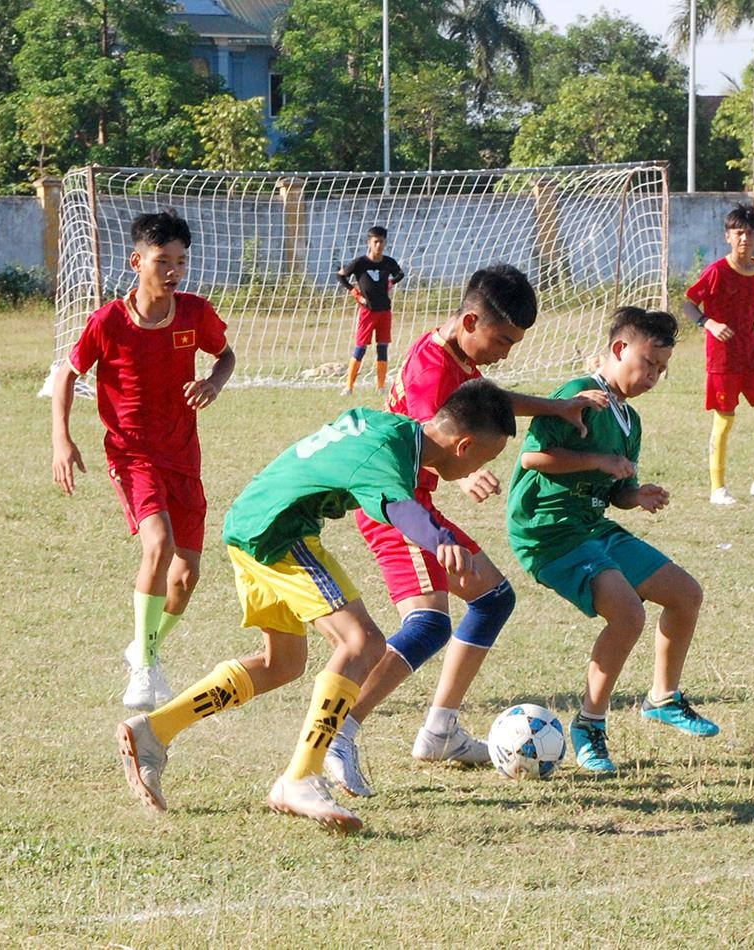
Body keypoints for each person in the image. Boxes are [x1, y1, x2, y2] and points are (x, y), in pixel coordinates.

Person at [115, 379, 517, 833]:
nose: (481, 469)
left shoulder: (388, 428)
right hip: (277, 535)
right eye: (486, 457)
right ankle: (300, 777)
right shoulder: (387, 459)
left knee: (281, 663)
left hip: (252, 522)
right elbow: (400, 508)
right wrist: (442, 540)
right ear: (463, 446)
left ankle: (154, 731)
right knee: (361, 640)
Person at [322, 263, 609, 798]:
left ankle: (440, 731)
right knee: (429, 626)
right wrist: (467, 473)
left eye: (513, 343)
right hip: (397, 508)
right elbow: (443, 434)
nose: (505, 352)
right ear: (471, 319)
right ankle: (339, 731)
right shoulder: (433, 369)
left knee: (494, 598)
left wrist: (556, 406)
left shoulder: (457, 352)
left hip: (416, 502)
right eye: (501, 339)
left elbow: (487, 402)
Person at [506, 306, 720, 775]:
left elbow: (615, 491)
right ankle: (589, 725)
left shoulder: (629, 420)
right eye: (649, 363)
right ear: (620, 349)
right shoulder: (576, 396)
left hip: (592, 524)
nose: (654, 377)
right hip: (548, 531)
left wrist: (633, 494)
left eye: (662, 369)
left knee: (685, 594)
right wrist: (599, 461)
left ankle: (663, 698)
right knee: (628, 613)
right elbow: (533, 458)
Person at [51, 209, 236, 712]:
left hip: (183, 456)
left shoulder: (195, 313)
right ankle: (145, 666)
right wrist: (62, 440)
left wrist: (213, 382)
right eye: (162, 260)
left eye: (181, 260)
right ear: (136, 261)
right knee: (158, 543)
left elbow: (226, 356)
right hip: (131, 454)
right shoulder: (108, 321)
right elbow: (67, 375)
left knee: (187, 576)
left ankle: (143, 644)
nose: (173, 270)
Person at [682, 203, 754, 506]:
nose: (744, 238)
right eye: (738, 233)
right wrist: (709, 323)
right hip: (723, 359)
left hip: (752, 356)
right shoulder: (717, 271)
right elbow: (688, 304)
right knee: (725, 421)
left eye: (750, 233)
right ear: (728, 236)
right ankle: (718, 489)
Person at [336, 225, 405, 395]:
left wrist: (391, 283)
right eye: (375, 242)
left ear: (385, 242)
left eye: (381, 242)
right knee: (360, 348)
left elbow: (400, 273)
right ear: (369, 243)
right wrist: (354, 292)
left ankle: (381, 387)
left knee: (382, 348)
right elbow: (340, 275)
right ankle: (349, 387)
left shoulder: (389, 262)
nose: (378, 245)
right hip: (367, 312)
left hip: (384, 312)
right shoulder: (360, 263)